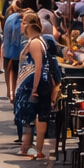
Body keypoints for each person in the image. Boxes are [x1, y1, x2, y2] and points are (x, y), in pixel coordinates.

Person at [14, 13, 58, 159]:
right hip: (39, 83)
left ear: (29, 25)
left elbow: (38, 66)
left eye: (23, 23)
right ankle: (30, 148)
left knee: (32, 115)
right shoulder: (39, 41)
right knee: (37, 115)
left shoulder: (35, 43)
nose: (21, 26)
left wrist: (34, 88)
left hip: (35, 84)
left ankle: (33, 149)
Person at [2, 0, 26, 101]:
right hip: (17, 49)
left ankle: (9, 91)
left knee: (8, 69)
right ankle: (15, 93)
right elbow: (16, 32)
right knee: (16, 72)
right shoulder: (19, 18)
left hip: (7, 49)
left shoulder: (9, 18)